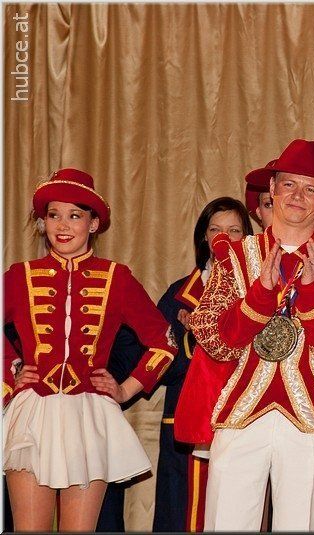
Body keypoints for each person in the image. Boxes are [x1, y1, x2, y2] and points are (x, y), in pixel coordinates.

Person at [187, 139, 314, 531]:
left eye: (311, 189)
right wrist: (259, 295)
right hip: (239, 414)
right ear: (271, 189)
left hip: (310, 420)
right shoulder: (234, 256)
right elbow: (213, 337)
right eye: (288, 184)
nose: (297, 196)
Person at [2, 168, 176, 531]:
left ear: (93, 224)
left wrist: (125, 389)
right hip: (32, 417)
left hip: (89, 418)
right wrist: (12, 368)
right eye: (54, 215)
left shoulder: (118, 278)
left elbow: (165, 341)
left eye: (75, 215)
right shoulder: (19, 276)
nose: (63, 225)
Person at [152, 197, 253, 532]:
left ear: (247, 238)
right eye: (215, 229)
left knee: (239, 510)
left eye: (234, 230)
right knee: (181, 511)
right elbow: (157, 361)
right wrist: (191, 341)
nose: (223, 238)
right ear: (204, 237)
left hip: (244, 416)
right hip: (186, 416)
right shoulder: (179, 294)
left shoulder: (263, 291)